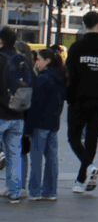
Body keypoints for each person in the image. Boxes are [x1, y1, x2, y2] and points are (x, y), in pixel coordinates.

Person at [64, 11, 98, 194]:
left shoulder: (76, 47)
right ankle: (81, 178)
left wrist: (69, 95)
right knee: (92, 138)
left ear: (84, 25)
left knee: (73, 137)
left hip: (78, 98)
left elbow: (69, 74)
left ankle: (88, 167)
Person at [25, 48, 65, 201]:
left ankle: (35, 191)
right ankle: (50, 190)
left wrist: (28, 128)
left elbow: (35, 105)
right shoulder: (60, 78)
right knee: (52, 158)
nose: (36, 63)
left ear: (47, 61)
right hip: (53, 123)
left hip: (40, 123)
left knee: (36, 159)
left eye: (39, 60)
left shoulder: (42, 79)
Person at [0, 26, 34, 204]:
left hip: (1, 112)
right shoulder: (24, 59)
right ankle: (14, 192)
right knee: (14, 154)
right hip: (18, 113)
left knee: (8, 153)